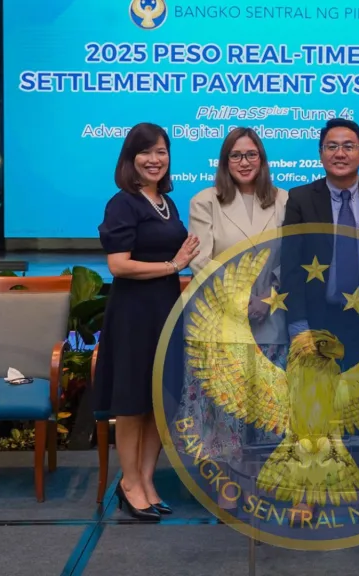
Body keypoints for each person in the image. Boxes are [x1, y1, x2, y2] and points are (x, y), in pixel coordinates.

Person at [279, 117, 359, 522]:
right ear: (320, 154)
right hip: (318, 324)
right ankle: (309, 495)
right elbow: (291, 264)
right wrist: (297, 325)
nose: (340, 153)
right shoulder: (301, 198)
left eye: (348, 146)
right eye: (331, 146)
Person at [174, 127, 289, 508]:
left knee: (266, 405)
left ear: (262, 159)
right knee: (223, 406)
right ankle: (226, 480)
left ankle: (262, 478)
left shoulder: (284, 200)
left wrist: (268, 299)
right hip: (220, 316)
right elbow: (201, 258)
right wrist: (242, 299)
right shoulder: (205, 201)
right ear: (225, 162)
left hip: (270, 316)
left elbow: (290, 257)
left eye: (251, 154)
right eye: (236, 156)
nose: (244, 162)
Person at [94, 122, 201, 521]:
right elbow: (119, 265)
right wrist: (174, 265)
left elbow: (180, 257)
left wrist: (182, 270)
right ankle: (128, 483)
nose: (155, 160)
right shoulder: (123, 203)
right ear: (130, 158)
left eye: (162, 152)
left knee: (159, 402)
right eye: (146, 152)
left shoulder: (167, 202)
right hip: (134, 313)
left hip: (166, 310)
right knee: (132, 403)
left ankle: (147, 480)